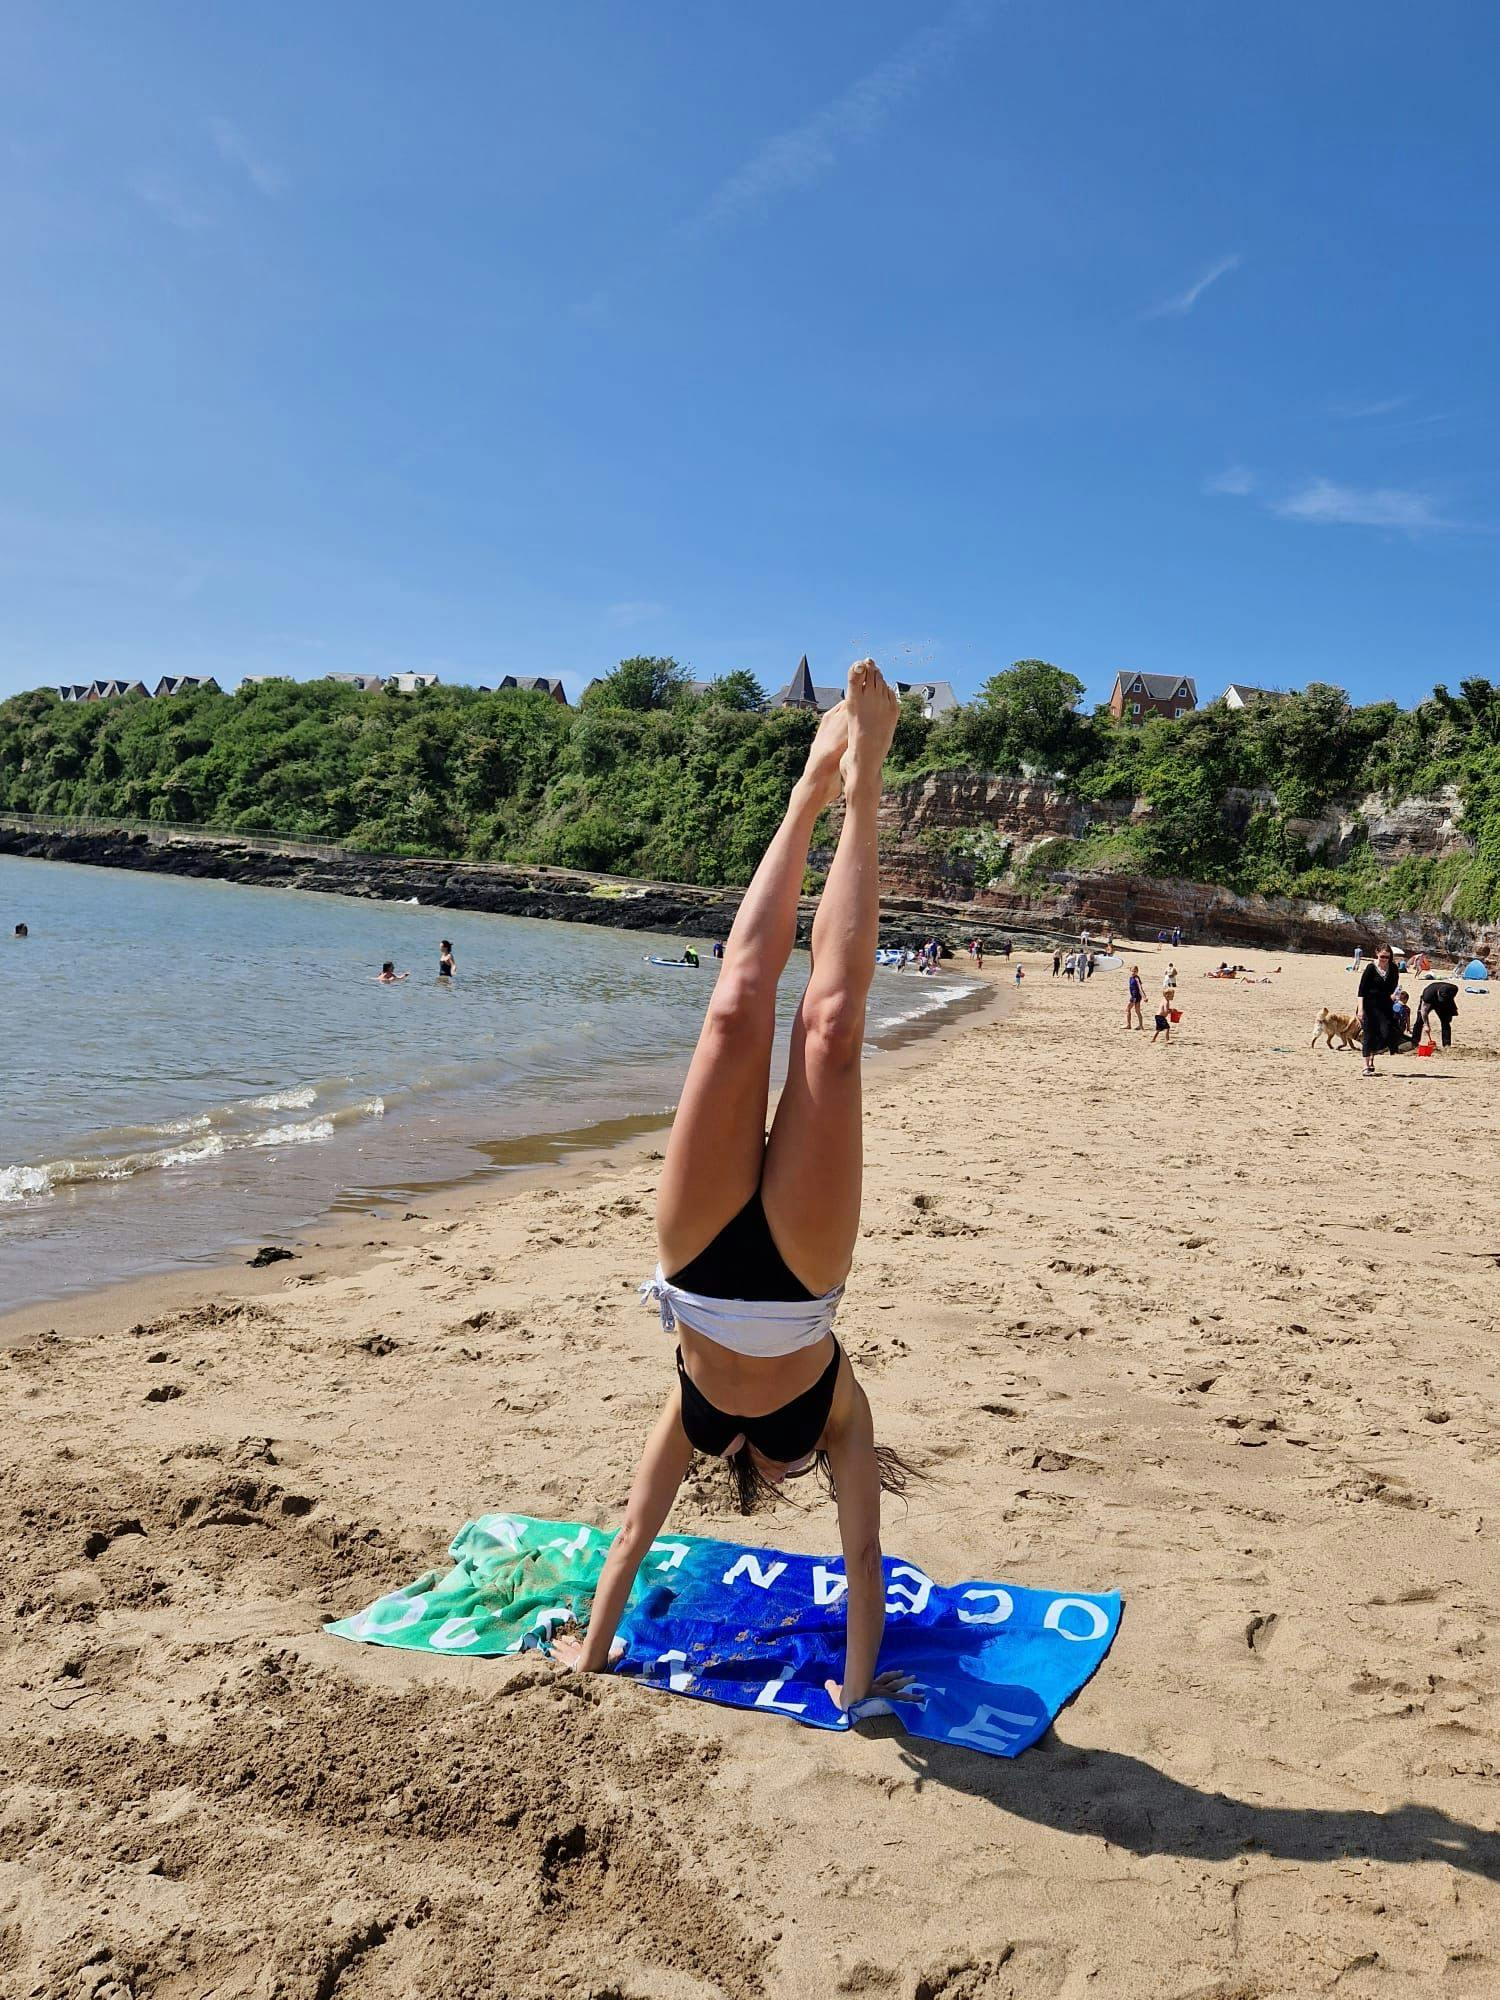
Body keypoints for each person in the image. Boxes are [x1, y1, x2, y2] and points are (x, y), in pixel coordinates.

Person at [550, 662, 915, 1714]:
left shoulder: (692, 1415)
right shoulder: (842, 1417)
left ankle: (808, 793)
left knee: (735, 1005)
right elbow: (862, 1558)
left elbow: (633, 1531)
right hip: (803, 1277)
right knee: (830, 1031)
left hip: (700, 1266)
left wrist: (593, 1652)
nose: (784, 1470)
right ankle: (857, 789)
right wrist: (855, 1690)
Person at [1355, 943, 1398, 1075]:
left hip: (1385, 1005)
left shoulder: (1393, 968)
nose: (1384, 959)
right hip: (1369, 1005)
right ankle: (1366, 1065)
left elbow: (1394, 986)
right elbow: (1361, 990)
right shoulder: (1371, 968)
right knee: (1369, 1034)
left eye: (1387, 957)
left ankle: (1373, 1055)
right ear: (1377, 954)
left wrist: (1394, 995)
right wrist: (1360, 1009)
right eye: (1382, 956)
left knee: (1385, 1033)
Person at [1413, 978, 1459, 1049]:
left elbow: (1450, 1001)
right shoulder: (1428, 994)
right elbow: (1423, 1010)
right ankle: (1414, 1042)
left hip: (1443, 1004)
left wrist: (1450, 1012)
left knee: (1446, 1022)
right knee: (1419, 1021)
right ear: (1438, 992)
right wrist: (1426, 1025)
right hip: (1430, 1002)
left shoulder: (1454, 989)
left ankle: (1446, 1045)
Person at [1125, 965, 1145, 1030]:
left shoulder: (1137, 978)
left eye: (1135, 971)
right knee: (1137, 1011)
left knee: (1128, 1009)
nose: (1133, 972)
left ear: (1137, 972)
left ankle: (1129, 1025)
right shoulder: (1131, 978)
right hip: (1134, 996)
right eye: (1132, 971)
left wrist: (1144, 997)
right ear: (1130, 971)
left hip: (1135, 996)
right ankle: (1140, 1025)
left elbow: (1140, 988)